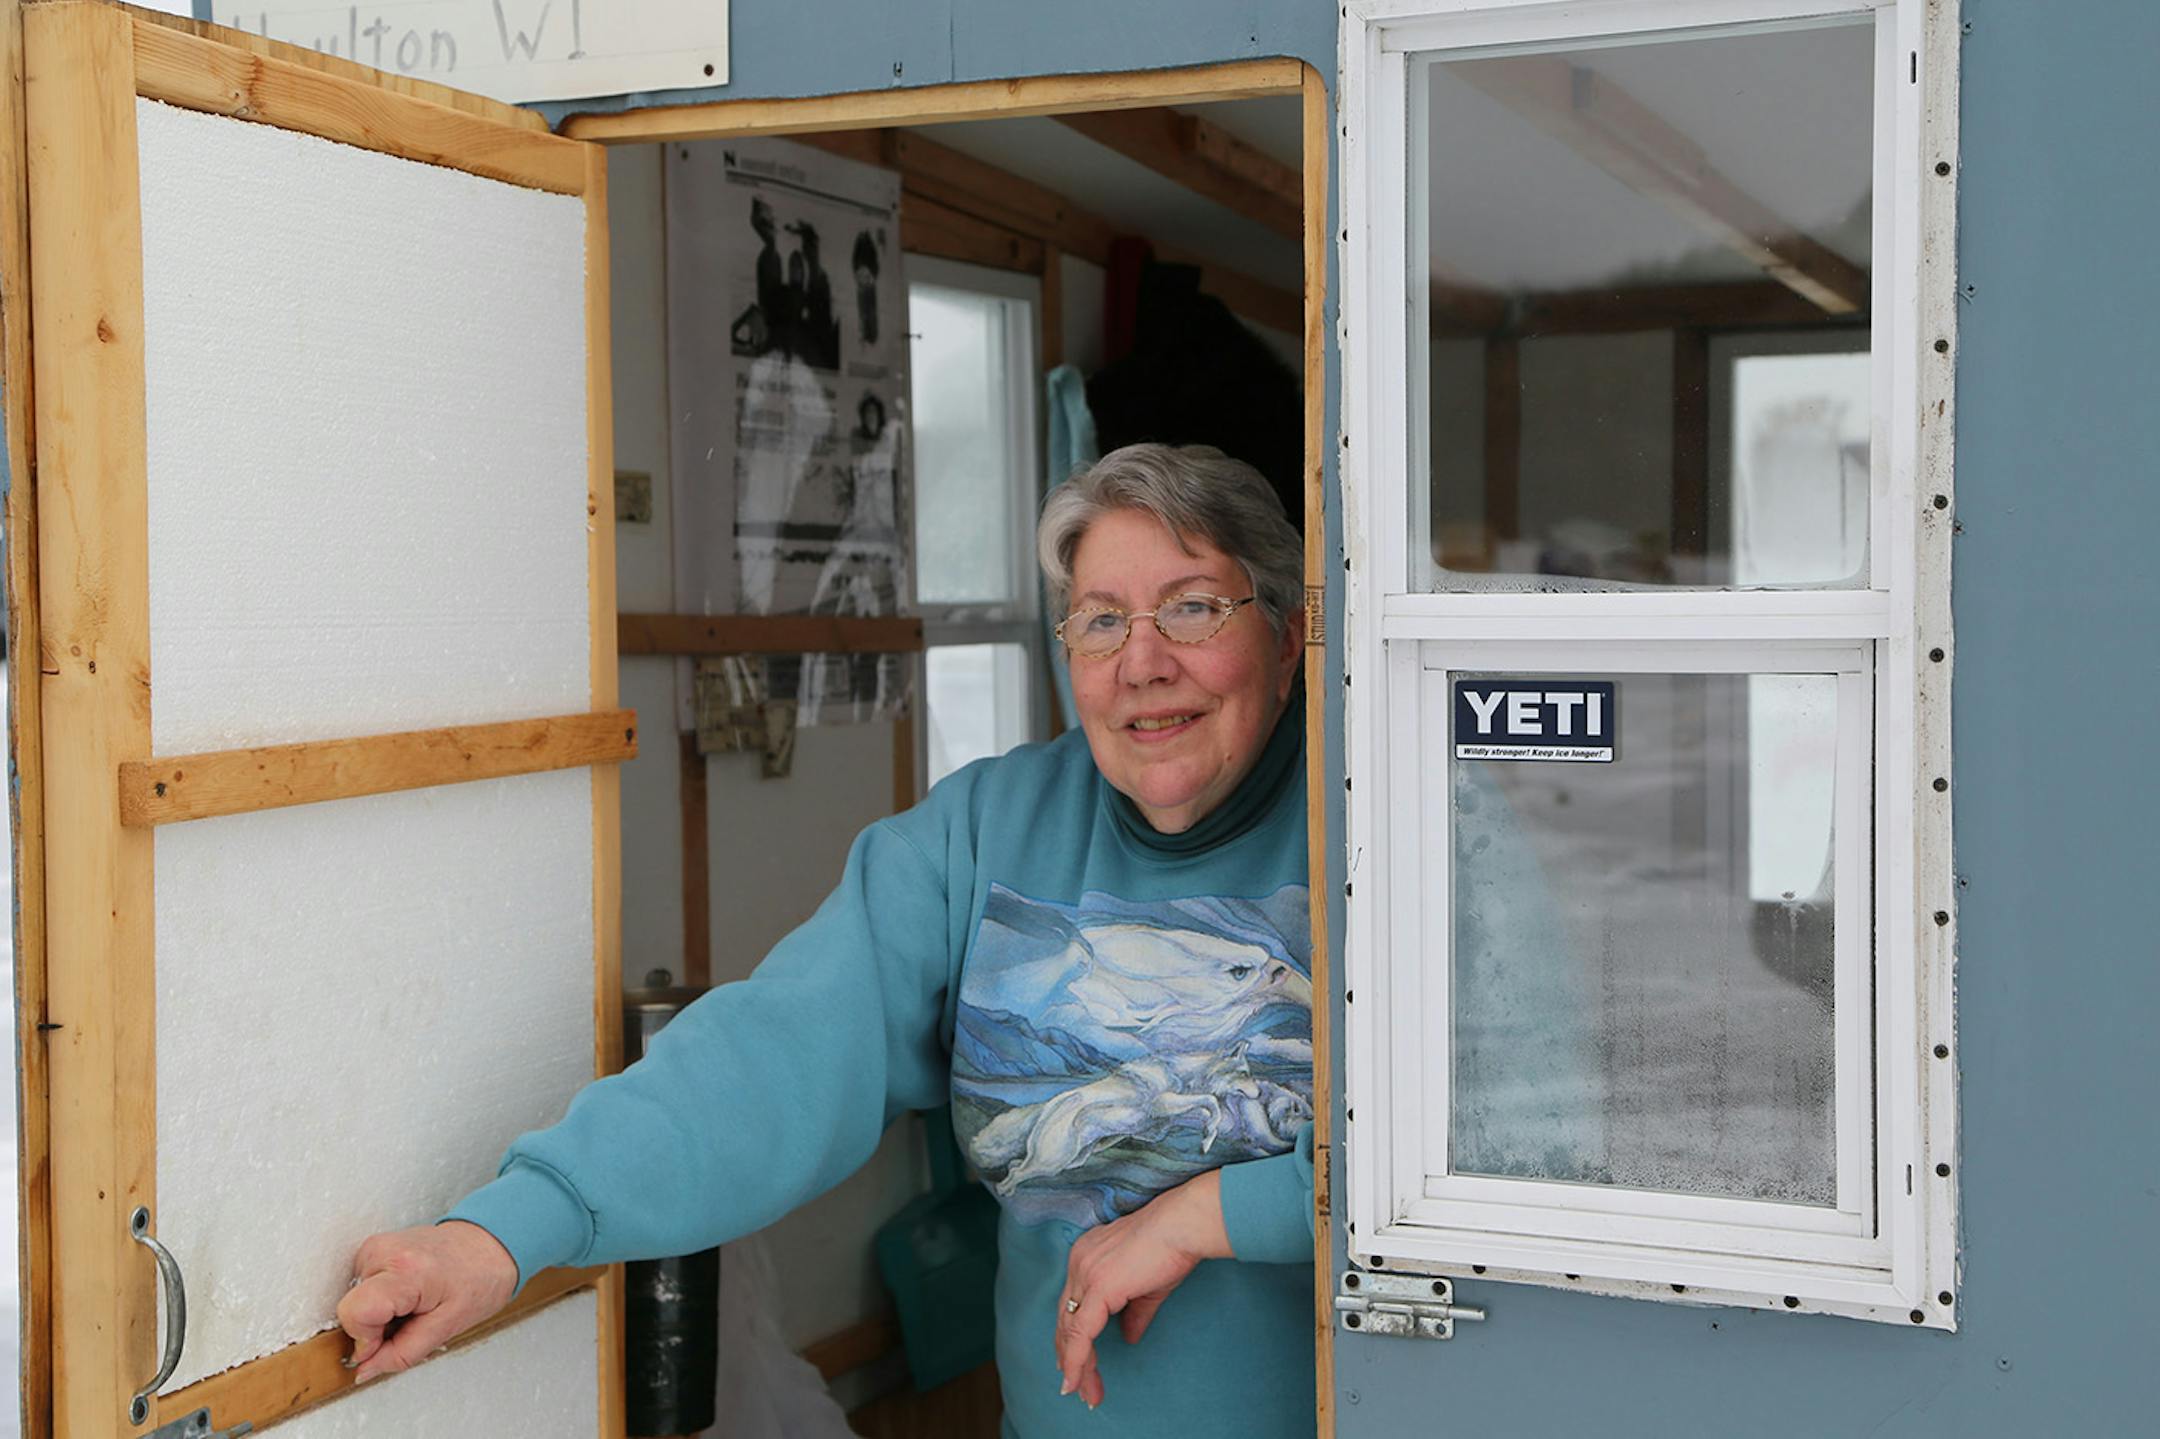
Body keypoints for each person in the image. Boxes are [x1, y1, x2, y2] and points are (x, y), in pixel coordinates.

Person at [338, 443, 1319, 1438]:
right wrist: (503, 1232)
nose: (1143, 662)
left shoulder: (1376, 828)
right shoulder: (985, 832)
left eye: (1193, 607)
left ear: (1287, 636)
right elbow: (778, 1051)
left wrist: (1212, 1214)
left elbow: (1470, 1135)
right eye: (1103, 620)